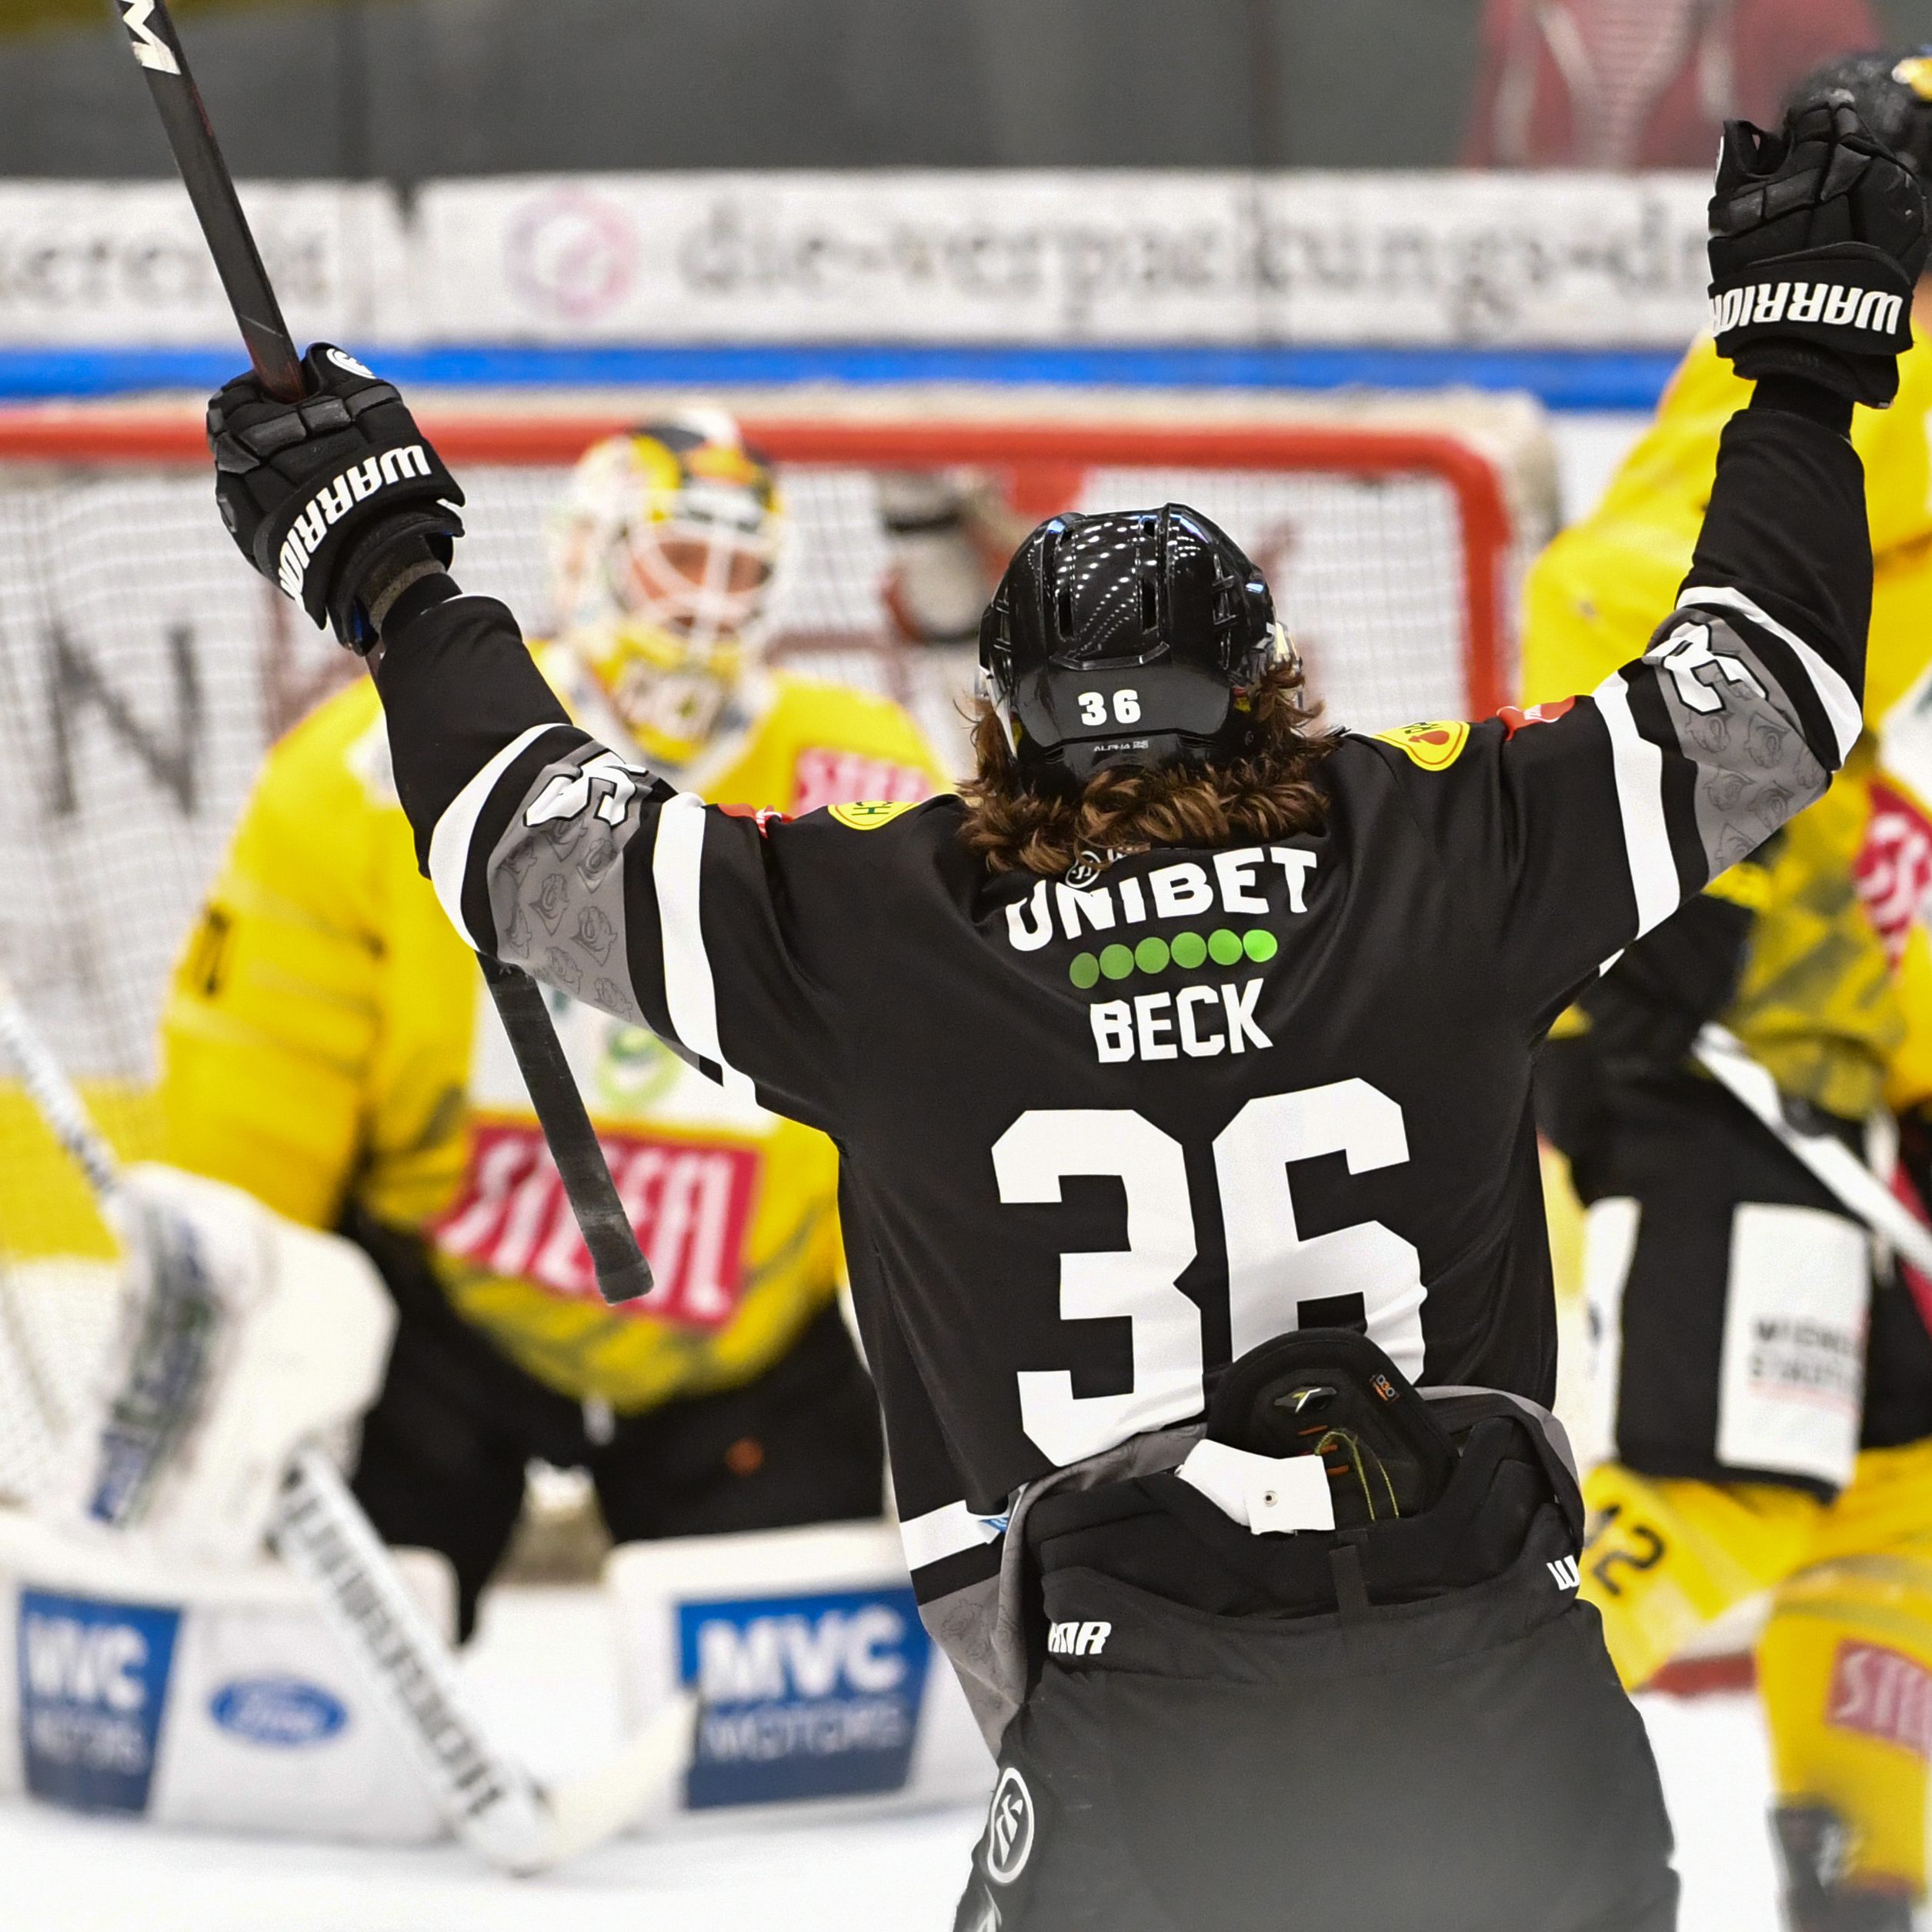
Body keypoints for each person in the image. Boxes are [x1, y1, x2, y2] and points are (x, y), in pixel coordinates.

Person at [191, 97, 1923, 1928]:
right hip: (1498, 1707)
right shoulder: (1449, 846)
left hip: (1129, 1729)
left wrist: (387, 569)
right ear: (1265, 685)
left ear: (999, 712)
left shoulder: (882, 926)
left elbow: (514, 830)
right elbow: (1766, 691)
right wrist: (1801, 370)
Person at [159, 410, 947, 1637]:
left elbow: (918, 1079)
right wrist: (235, 1322)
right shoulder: (369, 765)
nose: (707, 601)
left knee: (790, 1710)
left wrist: (942, 1361)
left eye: (741, 568)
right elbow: (267, 1054)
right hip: (446, 1320)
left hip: (741, 1337)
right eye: (677, 557)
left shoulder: (862, 771)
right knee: (311, 1649)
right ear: (584, 556)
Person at [1525, 52, 1932, 1930]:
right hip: (1728, 1057)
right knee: (1720, 1486)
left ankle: (1857, 1878)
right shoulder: (1802, 422)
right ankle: (1397, 1751)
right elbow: (1601, 610)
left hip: (1873, 1084)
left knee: (1892, 1509)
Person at [1464, 0, 1880, 169]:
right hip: (1552, 319)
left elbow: (1862, 170)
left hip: (1745, 312)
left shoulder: (1805, 11)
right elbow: (1482, 175)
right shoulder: (1521, 15)